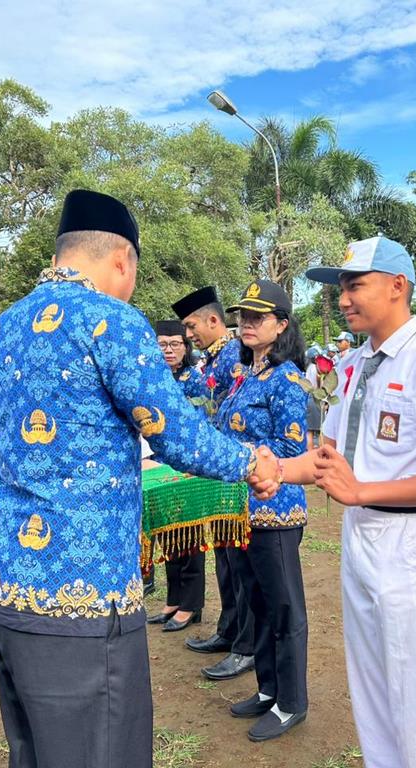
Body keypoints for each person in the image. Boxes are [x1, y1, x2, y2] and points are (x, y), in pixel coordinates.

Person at [0, 189, 280, 768]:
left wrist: (39, 477)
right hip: (85, 591)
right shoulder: (112, 321)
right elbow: (176, 435)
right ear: (122, 261)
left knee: (34, 750)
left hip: (4, 584)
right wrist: (253, 463)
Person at [260, 236, 416, 767]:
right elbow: (329, 459)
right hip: (361, 534)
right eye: (341, 288)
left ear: (397, 286)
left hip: (412, 542)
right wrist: (268, 470)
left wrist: (363, 492)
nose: (343, 299)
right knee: (372, 684)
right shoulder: (356, 363)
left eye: (355, 286)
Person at [217, 280, 310, 742]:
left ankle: (291, 702)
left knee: (284, 606)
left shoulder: (287, 379)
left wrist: (239, 456)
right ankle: (268, 689)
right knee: (255, 601)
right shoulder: (246, 376)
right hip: (240, 508)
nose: (247, 324)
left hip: (274, 509)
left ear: (282, 325)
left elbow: (291, 447)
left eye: (258, 317)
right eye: (243, 316)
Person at [173, 286, 256, 680]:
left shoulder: (235, 355)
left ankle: (246, 646)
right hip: (216, 472)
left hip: (235, 471)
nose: (189, 335)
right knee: (224, 558)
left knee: (240, 563)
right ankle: (228, 629)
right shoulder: (212, 358)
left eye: (192, 327)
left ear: (212, 320)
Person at [145, 319, 206, 632]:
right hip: (157, 467)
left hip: (185, 466)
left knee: (189, 535)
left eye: (175, 344)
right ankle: (173, 599)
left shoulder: (194, 380)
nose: (168, 350)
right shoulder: (153, 378)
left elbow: (199, 422)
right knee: (168, 533)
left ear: (186, 346)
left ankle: (191, 604)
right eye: (162, 344)